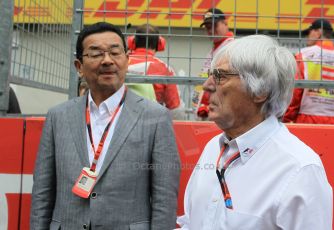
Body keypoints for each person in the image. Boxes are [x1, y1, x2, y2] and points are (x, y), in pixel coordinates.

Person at [30, 22, 180, 230]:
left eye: (114, 52)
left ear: (127, 61)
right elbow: (42, 191)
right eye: (96, 53)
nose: (107, 60)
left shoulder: (155, 117)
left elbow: (165, 195)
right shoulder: (58, 116)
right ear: (79, 67)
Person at [177, 35, 332, 229]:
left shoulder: (299, 169)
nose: (208, 85)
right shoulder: (212, 148)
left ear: (261, 92)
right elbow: (191, 223)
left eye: (221, 76)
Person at [283, 18, 334, 124]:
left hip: (308, 119)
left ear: (318, 32)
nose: (307, 37)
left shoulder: (303, 55)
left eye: (309, 32)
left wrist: (287, 118)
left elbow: (295, 92)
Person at [127, 24, 184, 119]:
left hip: (120, 120)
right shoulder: (164, 69)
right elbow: (176, 110)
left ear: (132, 42)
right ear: (160, 43)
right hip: (151, 122)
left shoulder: (120, 63)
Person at [192, 8, 234, 119]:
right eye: (207, 27)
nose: (210, 30)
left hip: (220, 111)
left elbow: (227, 83)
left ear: (225, 23)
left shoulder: (231, 48)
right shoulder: (216, 48)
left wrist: (207, 105)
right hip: (208, 110)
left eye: (214, 26)